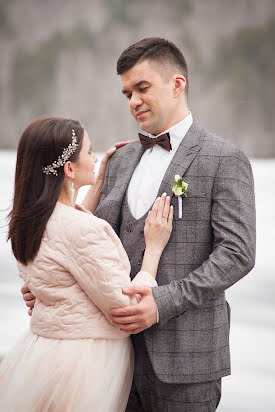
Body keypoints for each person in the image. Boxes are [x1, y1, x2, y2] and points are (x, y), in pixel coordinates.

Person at [23, 37, 256, 411]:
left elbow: (238, 253)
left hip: (187, 362)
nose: (133, 101)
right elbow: (88, 242)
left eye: (142, 88)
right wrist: (52, 283)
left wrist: (162, 303)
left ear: (177, 84)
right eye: (127, 93)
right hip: (110, 359)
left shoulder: (224, 159)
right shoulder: (118, 160)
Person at [0, 116, 174, 412]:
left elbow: (68, 237)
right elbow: (125, 307)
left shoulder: (27, 221)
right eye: (90, 152)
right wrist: (153, 250)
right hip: (84, 364)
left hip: (44, 351)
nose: (95, 158)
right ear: (68, 169)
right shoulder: (81, 230)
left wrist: (98, 180)